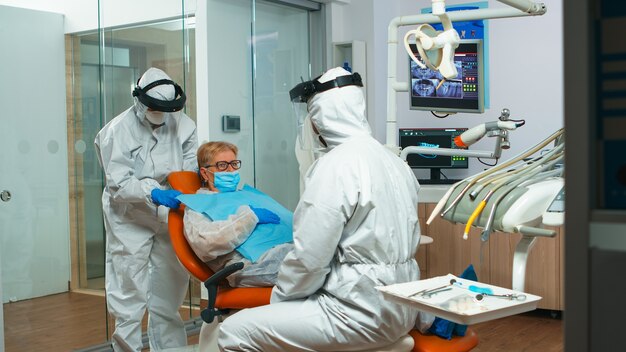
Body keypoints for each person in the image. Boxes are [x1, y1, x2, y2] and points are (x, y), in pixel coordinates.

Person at [218, 67, 433, 351]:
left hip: (358, 312)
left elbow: (310, 260)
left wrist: (280, 299)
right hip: (401, 308)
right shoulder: (394, 162)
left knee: (233, 332)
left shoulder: (335, 167)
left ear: (321, 117)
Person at [94, 67, 197, 352]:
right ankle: (125, 348)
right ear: (139, 100)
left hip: (168, 211)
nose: (159, 114)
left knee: (170, 288)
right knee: (129, 289)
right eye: (154, 108)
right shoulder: (117, 130)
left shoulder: (183, 124)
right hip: (129, 214)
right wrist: (152, 191)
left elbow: (190, 167)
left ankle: (171, 349)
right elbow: (119, 183)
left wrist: (187, 191)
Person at [182, 141, 293, 287]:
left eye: (234, 164)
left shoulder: (248, 195)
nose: (230, 170)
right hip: (251, 265)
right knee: (312, 259)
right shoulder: (198, 205)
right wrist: (248, 218)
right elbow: (206, 243)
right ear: (204, 173)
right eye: (222, 165)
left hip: (283, 251)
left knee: (320, 249)